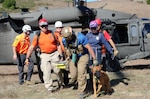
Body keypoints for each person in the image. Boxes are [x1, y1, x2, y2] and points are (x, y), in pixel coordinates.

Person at [25, 18, 63, 92]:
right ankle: (49, 88)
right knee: (46, 72)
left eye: (45, 26)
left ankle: (61, 83)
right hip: (44, 55)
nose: (44, 27)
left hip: (55, 54)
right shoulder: (38, 36)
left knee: (58, 70)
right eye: (42, 26)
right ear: (39, 27)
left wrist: (61, 55)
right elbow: (32, 47)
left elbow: (58, 45)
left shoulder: (52, 33)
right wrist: (27, 57)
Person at [61, 26, 98, 99]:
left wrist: (94, 59)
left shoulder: (81, 38)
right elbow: (66, 49)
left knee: (81, 72)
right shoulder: (64, 40)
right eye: (66, 38)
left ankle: (82, 91)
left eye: (69, 37)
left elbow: (89, 48)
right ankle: (79, 83)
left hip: (83, 56)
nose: (68, 39)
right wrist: (67, 58)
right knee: (73, 75)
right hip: (73, 56)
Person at [54, 21, 69, 86]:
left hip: (65, 52)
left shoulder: (64, 33)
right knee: (59, 67)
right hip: (58, 53)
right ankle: (60, 81)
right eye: (58, 28)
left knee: (66, 66)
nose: (59, 29)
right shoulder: (54, 35)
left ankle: (66, 80)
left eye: (60, 28)